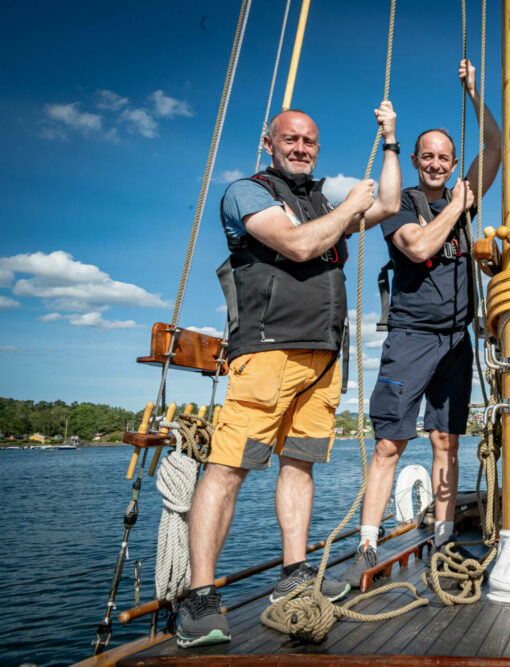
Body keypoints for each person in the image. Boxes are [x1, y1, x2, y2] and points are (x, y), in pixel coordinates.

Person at [175, 103, 401, 648]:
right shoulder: (247, 192)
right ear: (269, 141)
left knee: (300, 465)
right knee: (228, 468)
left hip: (324, 358)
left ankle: (293, 574)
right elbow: (300, 244)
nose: (301, 147)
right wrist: (348, 208)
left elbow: (390, 202)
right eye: (291, 139)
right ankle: (201, 597)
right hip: (267, 352)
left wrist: (390, 141)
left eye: (310, 141)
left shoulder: (322, 202)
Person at [342, 59, 501, 587]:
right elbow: (419, 246)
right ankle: (367, 542)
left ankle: (444, 533)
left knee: (446, 442)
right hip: (411, 338)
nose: (436, 164)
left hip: (457, 340)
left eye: (445, 158)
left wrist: (475, 94)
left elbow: (496, 149)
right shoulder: (400, 204)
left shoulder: (462, 195)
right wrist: (457, 207)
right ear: (415, 160)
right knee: (391, 443)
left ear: (454, 162)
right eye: (427, 156)